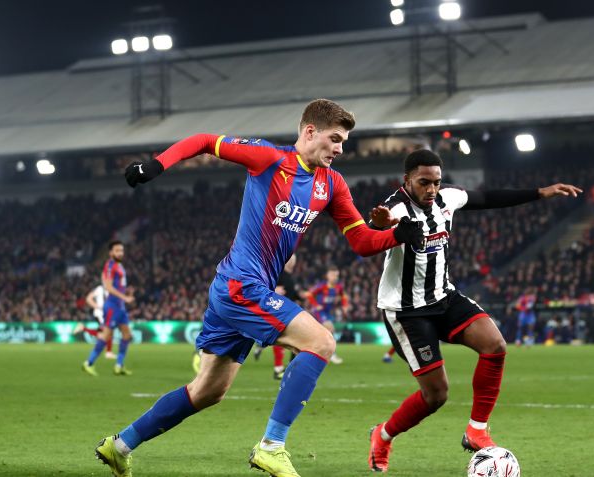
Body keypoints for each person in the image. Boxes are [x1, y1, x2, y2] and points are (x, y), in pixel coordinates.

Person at [95, 99, 424, 477]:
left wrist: (397, 235)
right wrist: (156, 165)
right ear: (310, 131)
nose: (339, 149)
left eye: (343, 142)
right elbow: (204, 141)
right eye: (335, 139)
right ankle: (272, 446)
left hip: (239, 290)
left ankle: (119, 445)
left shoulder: (332, 184)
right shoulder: (269, 158)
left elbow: (361, 241)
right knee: (321, 342)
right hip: (241, 285)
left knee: (207, 391)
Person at [365, 149, 581, 472]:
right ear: (407, 180)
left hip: (444, 297)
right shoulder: (396, 208)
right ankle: (382, 435)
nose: (431, 189)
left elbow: (487, 198)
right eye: (424, 182)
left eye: (436, 182)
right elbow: (371, 234)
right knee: (436, 395)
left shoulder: (446, 198)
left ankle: (476, 430)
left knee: (495, 345)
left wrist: (540, 192)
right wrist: (380, 226)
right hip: (407, 311)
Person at [82, 241, 135, 377]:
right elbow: (109, 287)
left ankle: (119, 365)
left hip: (120, 307)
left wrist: (126, 293)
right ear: (111, 253)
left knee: (127, 335)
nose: (120, 253)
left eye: (121, 250)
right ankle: (88, 363)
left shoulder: (119, 266)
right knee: (106, 336)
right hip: (112, 306)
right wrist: (125, 297)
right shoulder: (110, 266)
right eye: (117, 250)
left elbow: (118, 286)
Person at [307, 266, 349, 364]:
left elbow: (344, 296)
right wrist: (316, 305)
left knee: (322, 334)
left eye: (336, 275)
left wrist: (345, 306)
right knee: (330, 329)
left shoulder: (339, 287)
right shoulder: (321, 286)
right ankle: (332, 355)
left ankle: (316, 354)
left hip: (328, 312)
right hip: (319, 312)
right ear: (328, 276)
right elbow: (309, 294)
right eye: (333, 275)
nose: (335, 277)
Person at [74, 284, 116, 359]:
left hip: (107, 313)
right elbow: (88, 298)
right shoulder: (100, 289)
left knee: (106, 333)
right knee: (107, 332)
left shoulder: (111, 289)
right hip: (101, 314)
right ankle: (108, 352)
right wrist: (97, 306)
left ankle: (107, 352)